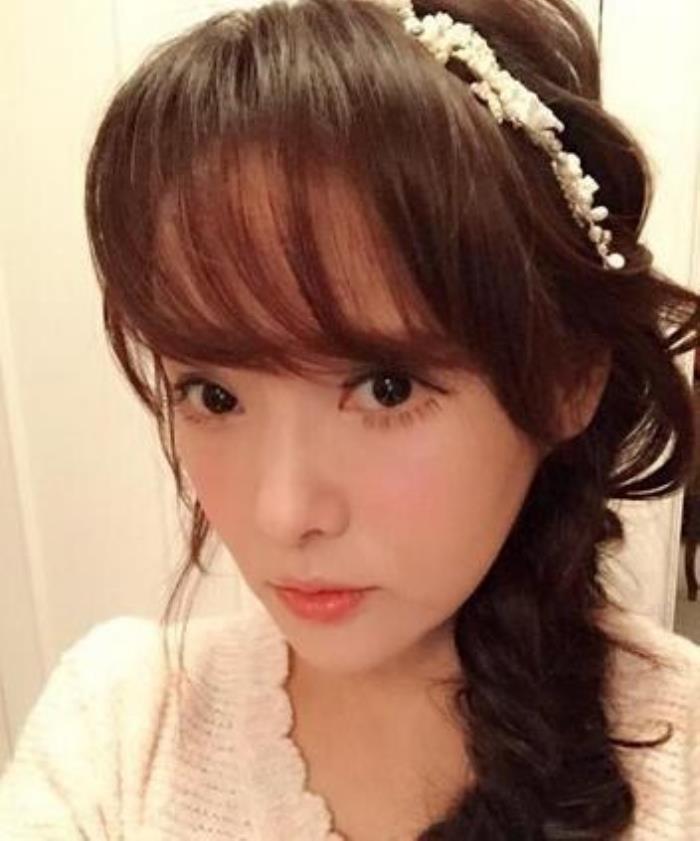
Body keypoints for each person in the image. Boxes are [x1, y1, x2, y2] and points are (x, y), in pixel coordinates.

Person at [1, 0, 699, 838]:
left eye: (386, 388)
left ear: (567, 379)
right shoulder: (116, 728)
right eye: (214, 395)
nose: (282, 513)